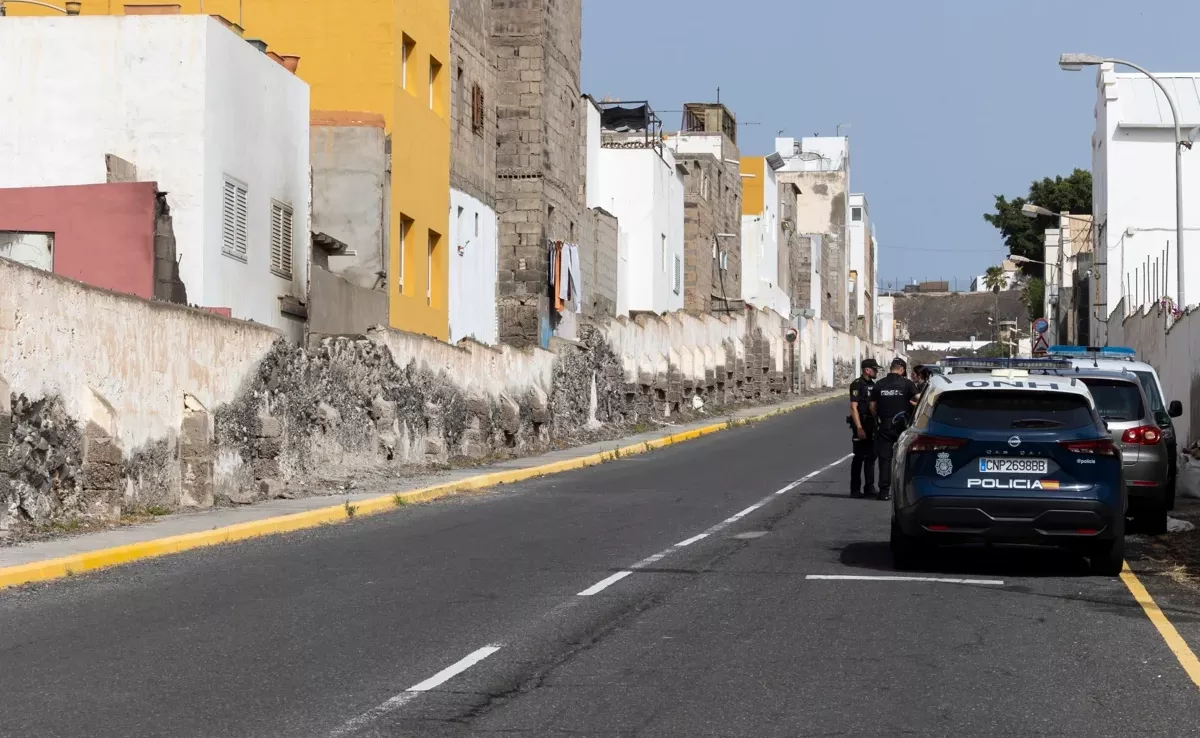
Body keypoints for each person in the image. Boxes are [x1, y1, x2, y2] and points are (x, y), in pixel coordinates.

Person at [870, 357, 919, 501]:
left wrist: (880, 417)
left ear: (891, 368)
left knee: (885, 459)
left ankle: (883, 491)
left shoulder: (879, 384)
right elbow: (920, 399)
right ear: (902, 370)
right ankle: (905, 492)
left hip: (885, 425)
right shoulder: (907, 384)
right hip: (902, 426)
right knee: (904, 459)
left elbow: (872, 407)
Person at [848, 358, 881, 498]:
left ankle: (869, 487)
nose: (877, 372)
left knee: (872, 456)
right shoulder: (857, 385)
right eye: (874, 369)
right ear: (867, 370)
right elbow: (853, 407)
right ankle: (855, 489)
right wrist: (859, 428)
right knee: (859, 457)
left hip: (871, 424)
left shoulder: (873, 385)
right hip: (861, 423)